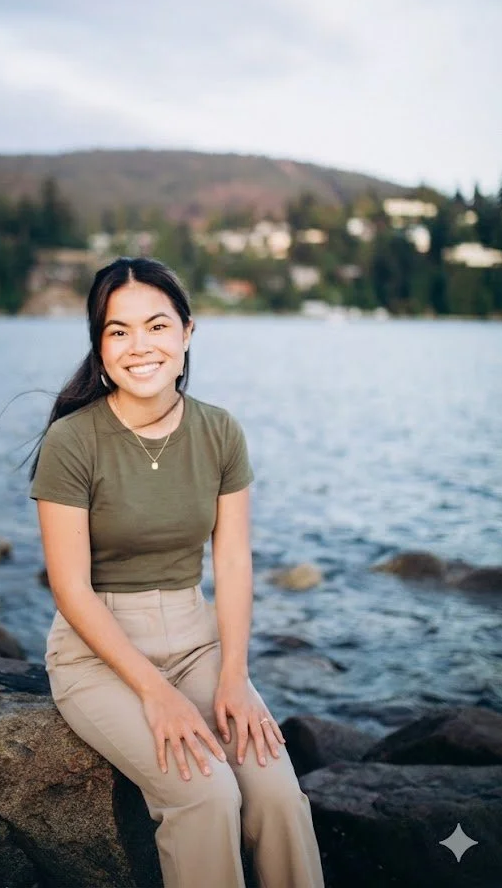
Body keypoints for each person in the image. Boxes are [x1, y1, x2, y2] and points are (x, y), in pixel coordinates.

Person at [29, 256, 325, 888]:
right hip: (97, 653)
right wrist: (155, 693)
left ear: (187, 333)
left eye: (157, 326)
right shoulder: (73, 441)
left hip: (198, 643)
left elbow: (234, 561)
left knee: (275, 793)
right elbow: (70, 587)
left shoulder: (219, 431)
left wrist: (236, 678)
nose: (140, 346)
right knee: (206, 794)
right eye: (118, 331)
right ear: (99, 345)